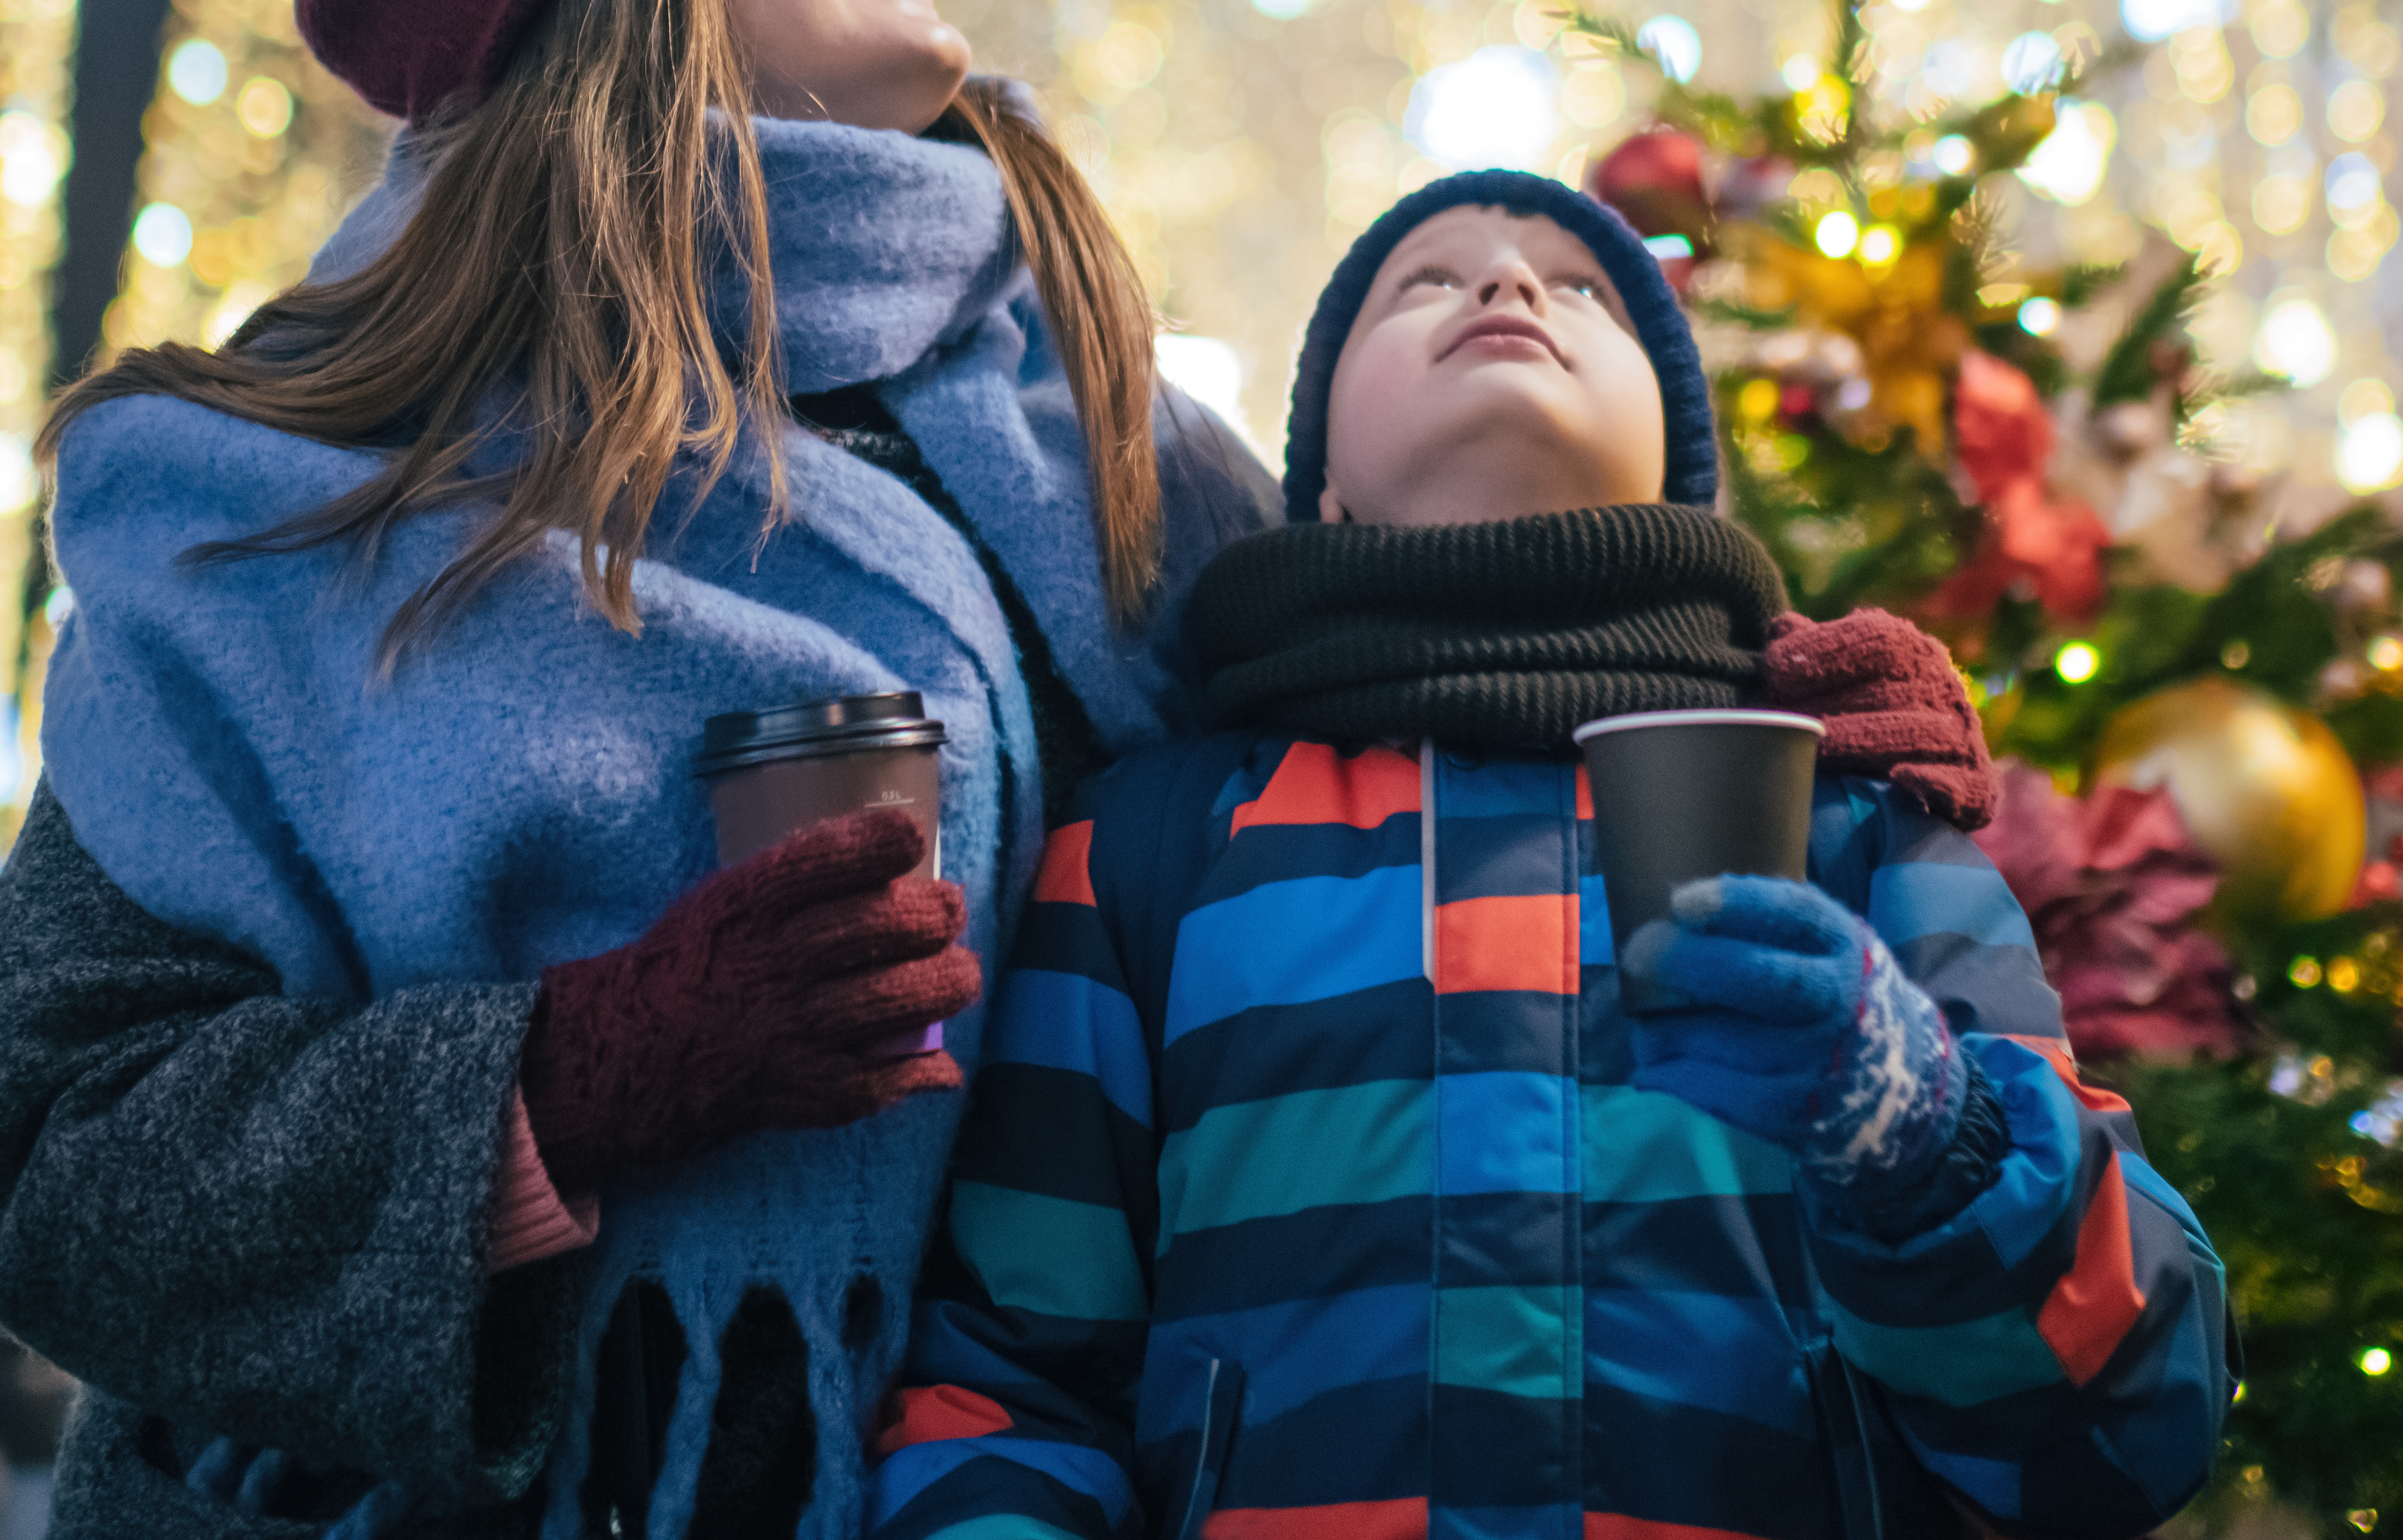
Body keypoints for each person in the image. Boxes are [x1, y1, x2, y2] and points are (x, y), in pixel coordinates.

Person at [0, 0, 1985, 1540]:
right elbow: (51, 1152)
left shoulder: (1107, 443)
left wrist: (1756, 686)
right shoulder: (303, 499)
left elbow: (1406, 707)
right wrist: (563, 1083)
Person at [869, 173, 2229, 1540]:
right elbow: (1017, 1386)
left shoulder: (1857, 820)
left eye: (1582, 288)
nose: (1509, 287)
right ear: (1321, 480)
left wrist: (1919, 1136)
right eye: (1425, 282)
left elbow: (2120, 1434)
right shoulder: (1150, 846)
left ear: (1673, 468)